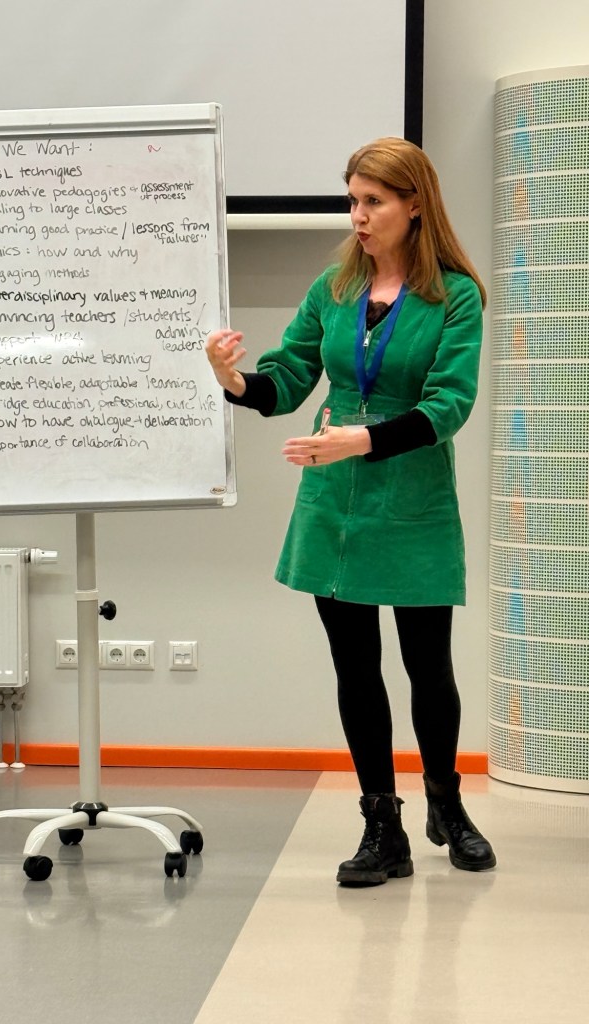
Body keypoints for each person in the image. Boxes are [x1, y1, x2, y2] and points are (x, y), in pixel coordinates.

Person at [205, 137, 496, 887]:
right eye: (352, 201)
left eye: (373, 202)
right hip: (334, 505)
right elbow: (287, 379)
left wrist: (359, 440)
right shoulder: (333, 289)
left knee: (428, 667)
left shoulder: (455, 296)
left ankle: (447, 805)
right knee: (356, 669)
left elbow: (450, 405)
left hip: (414, 500)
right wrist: (232, 379)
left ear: (414, 205)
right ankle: (382, 827)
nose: (358, 217)